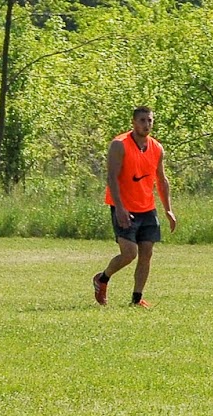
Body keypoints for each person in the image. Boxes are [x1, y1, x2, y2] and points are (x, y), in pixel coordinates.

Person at [92, 106, 175, 307]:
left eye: (150, 121)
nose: (146, 125)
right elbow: (112, 177)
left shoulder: (157, 148)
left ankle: (136, 299)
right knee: (129, 253)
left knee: (146, 253)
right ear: (134, 122)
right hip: (124, 207)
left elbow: (162, 180)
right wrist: (119, 208)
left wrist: (168, 210)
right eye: (142, 120)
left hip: (147, 208)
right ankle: (102, 278)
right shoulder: (119, 145)